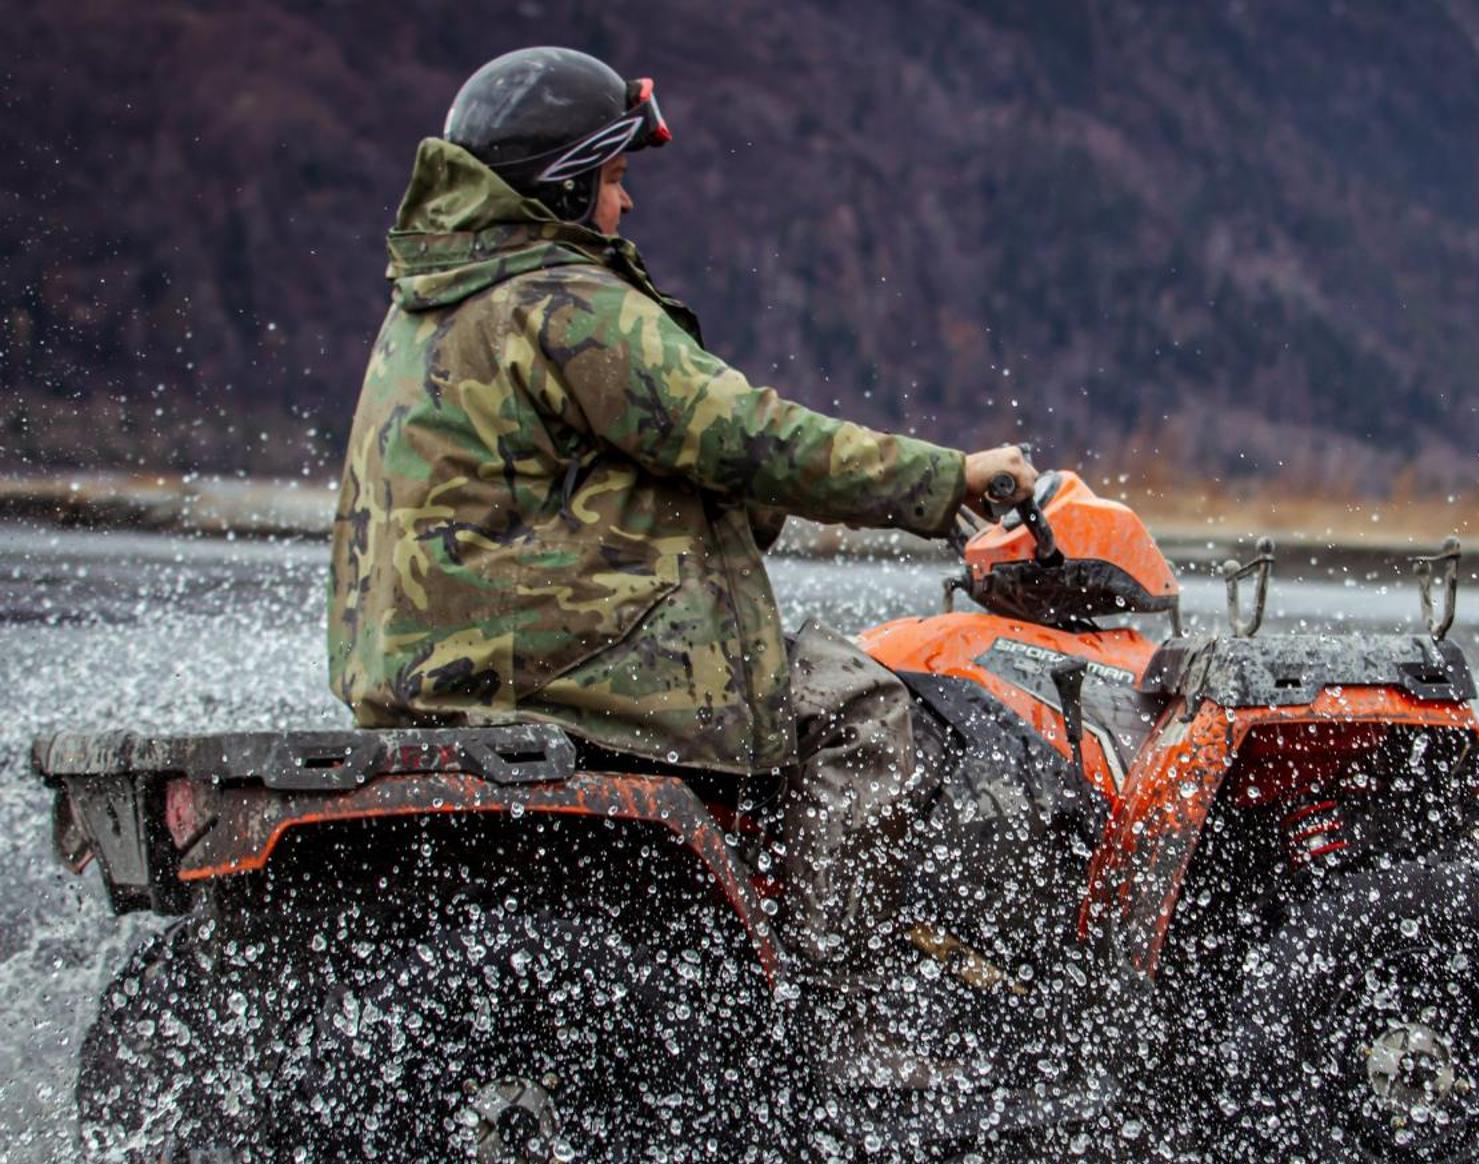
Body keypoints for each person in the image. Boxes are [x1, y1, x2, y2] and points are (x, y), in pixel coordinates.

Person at [325, 48, 1035, 1067]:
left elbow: (620, 475)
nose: (622, 206)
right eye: (612, 181)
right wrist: (949, 480)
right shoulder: (563, 302)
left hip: (428, 665)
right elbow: (742, 433)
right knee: (861, 707)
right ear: (562, 184)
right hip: (548, 661)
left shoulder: (433, 302)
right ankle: (835, 1012)